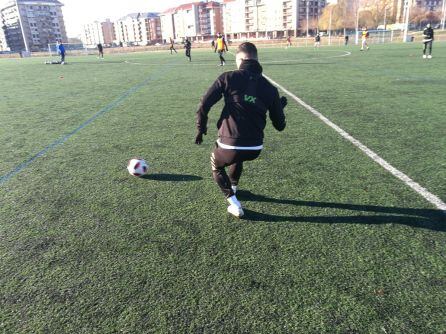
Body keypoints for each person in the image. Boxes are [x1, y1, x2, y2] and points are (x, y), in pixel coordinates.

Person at [195, 42, 287, 218]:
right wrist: (279, 107)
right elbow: (280, 126)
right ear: (256, 59)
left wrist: (201, 129)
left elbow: (203, 105)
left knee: (216, 163)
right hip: (255, 148)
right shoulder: (270, 88)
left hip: (229, 146)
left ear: (240, 59)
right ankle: (234, 187)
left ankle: (234, 203)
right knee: (239, 155)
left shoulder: (228, 77)